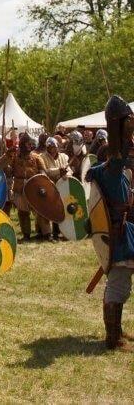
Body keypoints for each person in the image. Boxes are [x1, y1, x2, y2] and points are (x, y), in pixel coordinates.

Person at [88, 95, 134, 351]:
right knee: (118, 285)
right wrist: (119, 124)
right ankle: (112, 339)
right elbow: (118, 153)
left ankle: (117, 331)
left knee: (121, 284)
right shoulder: (111, 171)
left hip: (123, 233)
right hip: (118, 236)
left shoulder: (105, 172)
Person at [0, 132, 49, 240]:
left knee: (41, 211)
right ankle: (26, 234)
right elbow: (4, 169)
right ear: (22, 144)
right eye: (28, 144)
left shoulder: (36, 157)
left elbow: (43, 172)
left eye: (31, 144)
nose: (30, 146)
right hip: (20, 188)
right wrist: (6, 158)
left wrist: (40, 182)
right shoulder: (14, 157)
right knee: (23, 212)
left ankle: (45, 233)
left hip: (34, 186)